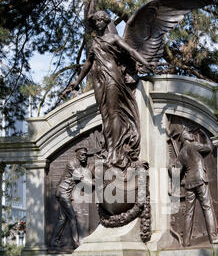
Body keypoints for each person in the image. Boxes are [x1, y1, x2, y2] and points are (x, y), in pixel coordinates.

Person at [62, 10, 152, 169]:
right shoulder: (95, 42)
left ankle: (115, 151)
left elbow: (131, 51)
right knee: (104, 115)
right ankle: (110, 148)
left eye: (99, 20)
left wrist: (145, 63)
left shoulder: (114, 38)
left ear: (105, 21)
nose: (96, 23)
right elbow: (88, 63)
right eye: (95, 21)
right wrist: (76, 82)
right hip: (98, 78)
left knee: (113, 112)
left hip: (112, 75)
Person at [177, 127, 216, 247]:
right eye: (188, 134)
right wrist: (205, 135)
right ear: (185, 137)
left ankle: (186, 241)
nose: (191, 135)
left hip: (189, 184)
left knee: (189, 213)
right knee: (207, 207)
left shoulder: (181, 153)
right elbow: (209, 147)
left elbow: (175, 172)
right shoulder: (194, 145)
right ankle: (213, 238)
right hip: (200, 180)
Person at [50, 146, 92, 249]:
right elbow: (81, 178)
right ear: (77, 156)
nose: (85, 157)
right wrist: (94, 183)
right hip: (63, 192)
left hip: (65, 193)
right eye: (82, 155)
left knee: (62, 219)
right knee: (72, 217)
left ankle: (54, 241)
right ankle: (75, 243)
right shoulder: (71, 164)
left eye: (86, 155)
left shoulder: (79, 165)